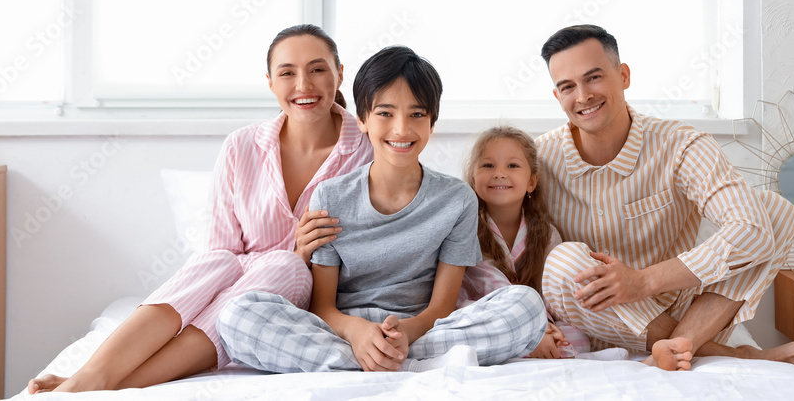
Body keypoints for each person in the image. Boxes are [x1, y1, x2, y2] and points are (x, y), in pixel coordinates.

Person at [28, 24, 373, 393]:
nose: (303, 84)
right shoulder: (242, 146)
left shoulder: (367, 148)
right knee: (214, 261)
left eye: (318, 69)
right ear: (271, 82)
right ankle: (90, 376)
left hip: (293, 301)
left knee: (283, 263)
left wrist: (302, 255)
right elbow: (223, 246)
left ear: (339, 74)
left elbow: (369, 248)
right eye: (287, 72)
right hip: (238, 278)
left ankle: (105, 385)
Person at [217, 46, 548, 373]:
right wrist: (357, 334)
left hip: (423, 329)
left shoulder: (456, 198)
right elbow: (322, 307)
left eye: (417, 114)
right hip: (345, 331)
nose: (401, 129)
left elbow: (443, 306)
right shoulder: (331, 196)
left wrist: (406, 333)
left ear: (431, 123)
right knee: (236, 315)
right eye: (385, 113)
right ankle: (394, 361)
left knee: (527, 306)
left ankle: (379, 360)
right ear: (362, 119)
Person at [536, 24, 794, 374]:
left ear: (623, 75)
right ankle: (731, 354)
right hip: (592, 319)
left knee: (771, 211)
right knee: (562, 261)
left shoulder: (680, 144)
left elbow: (751, 229)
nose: (582, 96)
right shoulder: (539, 158)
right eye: (567, 87)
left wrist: (642, 281)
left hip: (685, 309)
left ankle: (676, 346)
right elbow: (507, 247)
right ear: (557, 96)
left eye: (593, 78)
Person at [458, 125, 693, 369]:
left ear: (531, 182)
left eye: (512, 166)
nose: (499, 174)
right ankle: (532, 349)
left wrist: (549, 329)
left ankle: (537, 352)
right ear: (473, 178)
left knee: (576, 337)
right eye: (487, 165)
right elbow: (491, 284)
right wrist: (534, 329)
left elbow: (551, 293)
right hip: (486, 317)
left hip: (539, 320)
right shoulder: (468, 228)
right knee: (475, 337)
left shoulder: (545, 233)